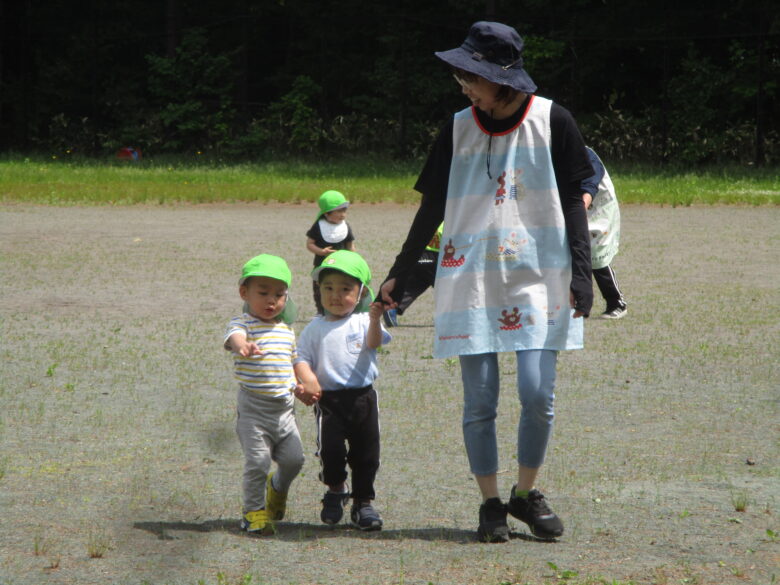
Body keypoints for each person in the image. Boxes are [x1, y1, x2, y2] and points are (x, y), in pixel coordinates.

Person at [379, 21, 594, 543]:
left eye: (471, 78)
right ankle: (491, 504)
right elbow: (432, 205)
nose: (464, 87)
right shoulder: (456, 128)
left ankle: (525, 494)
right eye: (461, 77)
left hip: (540, 275)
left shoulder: (553, 120)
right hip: (469, 276)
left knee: (537, 393)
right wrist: (401, 272)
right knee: (479, 401)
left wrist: (583, 272)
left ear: (502, 78)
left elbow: (574, 197)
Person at [224, 254, 321, 535]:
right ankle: (253, 511)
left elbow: (292, 362)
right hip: (254, 411)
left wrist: (303, 386)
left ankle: (277, 487)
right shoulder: (242, 324)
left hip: (284, 412)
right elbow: (234, 337)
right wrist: (243, 346)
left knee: (294, 460)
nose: (272, 301)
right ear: (245, 293)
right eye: (263, 292)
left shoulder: (286, 330)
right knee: (258, 461)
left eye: (279, 295)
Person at [294, 250, 391, 531]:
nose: (335, 295)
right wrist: (307, 380)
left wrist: (375, 320)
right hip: (329, 401)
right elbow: (300, 358)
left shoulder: (363, 322)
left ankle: (363, 502)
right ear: (319, 290)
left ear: (361, 293)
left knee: (367, 454)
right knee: (330, 451)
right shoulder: (314, 328)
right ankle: (336, 489)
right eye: (328, 288)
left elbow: (374, 343)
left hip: (363, 398)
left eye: (345, 289)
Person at [581, 147, 627, 319]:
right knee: (572, 255)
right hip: (576, 207)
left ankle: (616, 303)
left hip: (599, 210)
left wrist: (581, 204)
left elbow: (591, 181)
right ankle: (578, 304)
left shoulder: (586, 153)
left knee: (597, 257)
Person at [382, 222, 443, 327]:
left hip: (419, 256)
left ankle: (392, 308)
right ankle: (452, 316)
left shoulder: (428, 220)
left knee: (413, 286)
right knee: (447, 289)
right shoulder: (449, 222)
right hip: (436, 258)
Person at [306, 190, 356, 314]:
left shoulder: (345, 226)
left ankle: (342, 311)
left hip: (342, 266)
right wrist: (321, 251)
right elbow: (310, 244)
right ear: (327, 213)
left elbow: (350, 246)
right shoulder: (319, 226)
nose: (343, 215)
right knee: (321, 289)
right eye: (339, 211)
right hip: (322, 267)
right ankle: (321, 312)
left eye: (344, 211)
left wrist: (355, 260)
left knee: (342, 288)